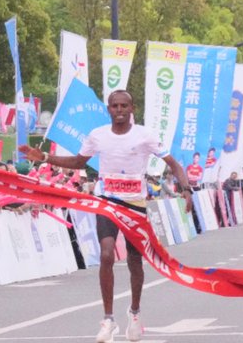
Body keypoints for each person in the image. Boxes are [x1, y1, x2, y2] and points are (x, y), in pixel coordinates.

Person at [19, 89, 192, 343]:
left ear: (132, 108)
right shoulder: (97, 136)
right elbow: (79, 162)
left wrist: (186, 189)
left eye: (124, 106)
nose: (119, 110)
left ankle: (134, 313)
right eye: (115, 106)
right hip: (107, 201)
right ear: (108, 109)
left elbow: (174, 164)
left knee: (135, 260)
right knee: (107, 253)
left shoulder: (145, 135)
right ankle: (108, 319)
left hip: (134, 204)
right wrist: (44, 157)